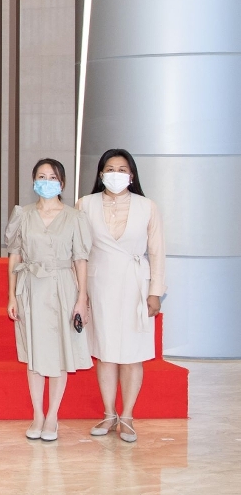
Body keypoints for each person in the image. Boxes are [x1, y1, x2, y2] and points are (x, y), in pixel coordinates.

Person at [78, 148, 166, 443]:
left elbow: (157, 251)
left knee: (132, 354)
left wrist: (155, 292)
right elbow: (79, 251)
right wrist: (80, 294)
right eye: (110, 169)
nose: (116, 174)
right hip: (99, 285)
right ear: (101, 173)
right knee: (105, 353)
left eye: (122, 169)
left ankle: (127, 416)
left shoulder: (147, 206)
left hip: (134, 285)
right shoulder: (85, 204)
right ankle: (108, 413)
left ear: (131, 175)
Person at [5, 157, 92, 441]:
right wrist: (11, 295)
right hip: (30, 287)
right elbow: (15, 255)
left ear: (62, 183)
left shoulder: (75, 217)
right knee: (34, 353)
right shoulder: (23, 214)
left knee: (59, 352)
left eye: (52, 177)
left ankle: (53, 415)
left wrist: (82, 298)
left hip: (63, 287)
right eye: (41, 176)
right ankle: (37, 415)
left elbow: (80, 259)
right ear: (33, 181)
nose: (47, 182)